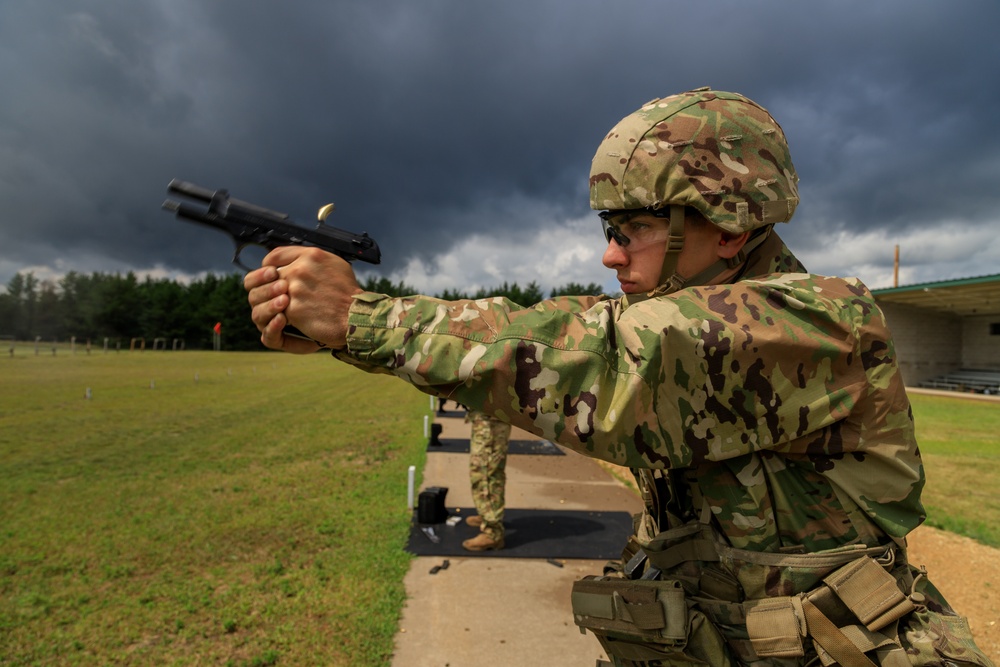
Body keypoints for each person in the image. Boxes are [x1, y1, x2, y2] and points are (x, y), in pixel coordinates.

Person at [245, 88, 992, 666]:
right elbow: (558, 352)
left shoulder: (818, 324)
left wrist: (363, 317)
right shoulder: (691, 314)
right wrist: (337, 332)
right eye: (609, 230)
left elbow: (607, 363)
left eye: (631, 230)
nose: (610, 255)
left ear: (729, 224)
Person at [462, 409, 511, 552]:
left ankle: (493, 532)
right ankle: (486, 513)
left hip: (491, 420)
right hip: (485, 414)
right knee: (485, 470)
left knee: (486, 473)